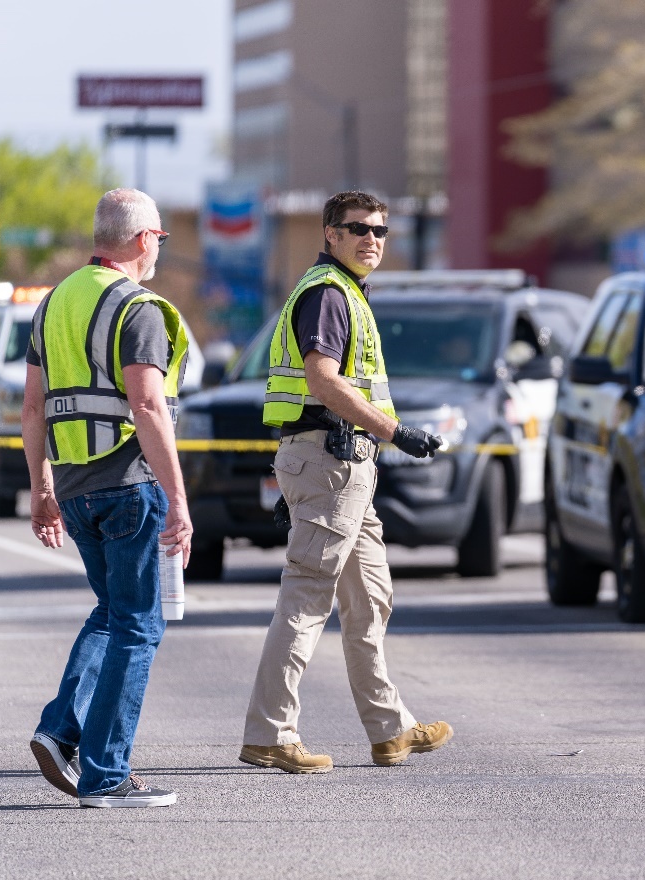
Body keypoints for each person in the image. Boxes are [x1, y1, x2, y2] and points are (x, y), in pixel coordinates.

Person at [239, 190, 452, 774]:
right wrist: (395, 431)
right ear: (331, 234)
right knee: (308, 596)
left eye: (380, 230)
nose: (371, 239)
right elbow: (323, 381)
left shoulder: (346, 292)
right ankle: (269, 733)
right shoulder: (329, 293)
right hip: (330, 463)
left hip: (341, 468)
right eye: (358, 229)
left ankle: (391, 729)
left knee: (369, 599)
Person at [24, 187, 192, 808]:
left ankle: (59, 730)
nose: (159, 249)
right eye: (160, 239)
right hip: (130, 487)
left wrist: (41, 489)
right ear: (144, 238)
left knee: (113, 612)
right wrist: (178, 498)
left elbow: (33, 408)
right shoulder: (137, 307)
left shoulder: (52, 304)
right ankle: (106, 775)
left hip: (74, 488)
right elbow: (147, 406)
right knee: (139, 625)